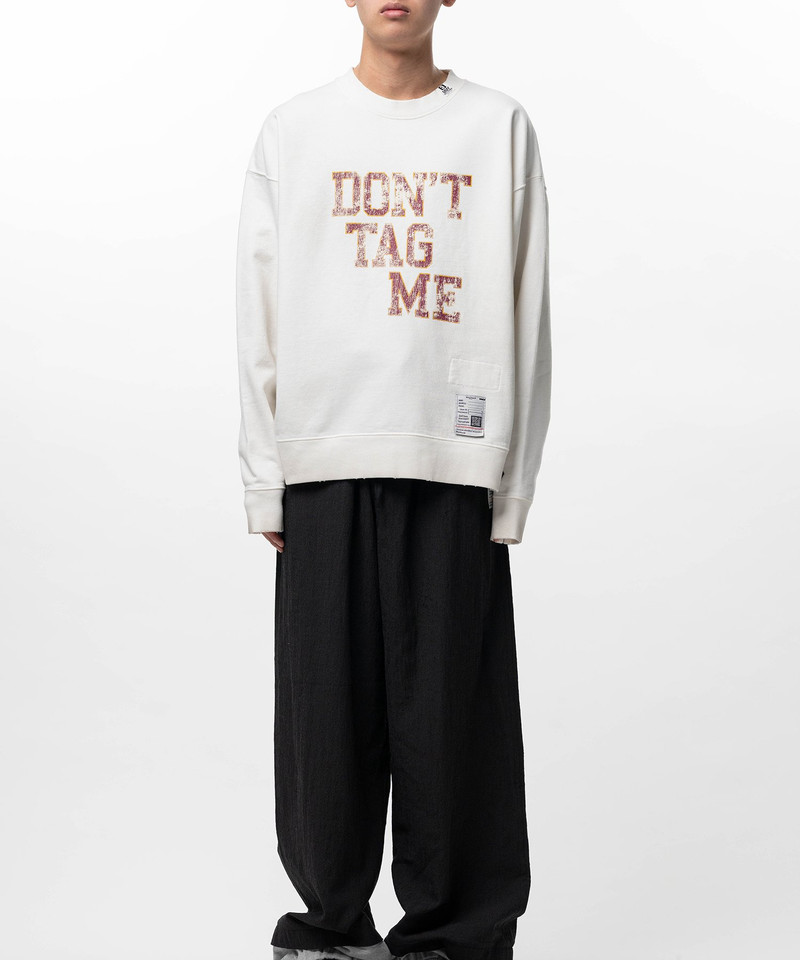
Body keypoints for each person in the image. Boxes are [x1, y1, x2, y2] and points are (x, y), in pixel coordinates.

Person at [235, 2, 552, 958]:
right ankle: (331, 931)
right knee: (324, 719)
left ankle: (452, 939)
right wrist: (264, 473)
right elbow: (258, 308)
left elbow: (527, 307)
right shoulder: (295, 130)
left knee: (452, 719)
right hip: (323, 458)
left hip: (453, 457)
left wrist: (512, 482)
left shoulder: (496, 126)